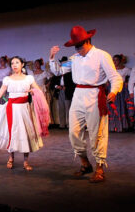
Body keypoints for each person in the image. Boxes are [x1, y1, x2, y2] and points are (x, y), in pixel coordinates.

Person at [49, 25, 123, 183]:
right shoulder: (75, 58)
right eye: (75, 45)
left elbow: (115, 77)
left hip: (95, 95)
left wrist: (114, 91)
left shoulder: (102, 55)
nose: (78, 48)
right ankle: (85, 163)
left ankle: (100, 167)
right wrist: (52, 57)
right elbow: (58, 71)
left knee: (97, 133)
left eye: (80, 45)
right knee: (73, 132)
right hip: (78, 95)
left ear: (88, 41)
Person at [0, 56, 49, 171]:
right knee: (11, 132)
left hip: (24, 109)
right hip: (11, 108)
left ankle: (26, 161)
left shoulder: (29, 78)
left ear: (22, 64)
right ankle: (11, 158)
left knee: (25, 133)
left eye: (17, 62)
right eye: (12, 63)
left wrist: (33, 91)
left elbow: (39, 91)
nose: (14, 65)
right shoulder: (7, 79)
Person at [107, 54, 133, 132]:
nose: (114, 62)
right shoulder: (111, 69)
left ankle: (122, 126)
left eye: (116, 60)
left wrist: (127, 82)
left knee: (121, 107)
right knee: (112, 108)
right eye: (113, 60)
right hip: (111, 90)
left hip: (121, 91)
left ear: (120, 61)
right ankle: (113, 127)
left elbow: (132, 77)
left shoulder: (126, 69)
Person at [49, 56, 75, 129]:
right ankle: (62, 124)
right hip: (60, 92)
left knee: (68, 108)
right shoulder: (57, 74)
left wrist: (66, 87)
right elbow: (52, 84)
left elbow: (73, 84)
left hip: (68, 92)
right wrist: (57, 86)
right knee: (61, 108)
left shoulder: (70, 74)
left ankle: (69, 124)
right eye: (62, 63)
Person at [33, 58, 54, 124]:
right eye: (35, 64)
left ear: (40, 64)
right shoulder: (32, 73)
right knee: (35, 106)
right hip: (34, 91)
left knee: (43, 106)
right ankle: (37, 122)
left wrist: (47, 85)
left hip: (42, 90)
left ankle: (45, 122)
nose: (36, 65)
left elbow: (51, 78)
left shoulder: (44, 72)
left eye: (37, 63)